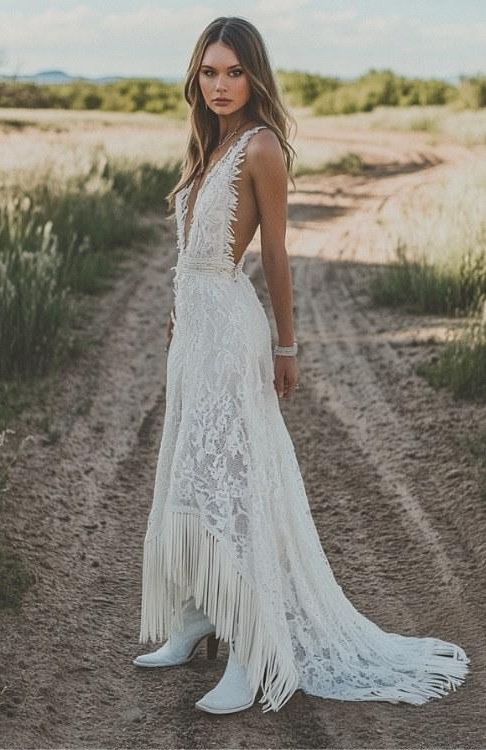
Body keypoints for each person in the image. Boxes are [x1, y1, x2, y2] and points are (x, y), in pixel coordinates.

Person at [134, 16, 468, 714]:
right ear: (195, 77)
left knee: (233, 486)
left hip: (231, 332)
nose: (220, 85)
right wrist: (177, 315)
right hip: (194, 333)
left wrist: (288, 345)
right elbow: (192, 255)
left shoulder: (261, 148)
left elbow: (277, 255)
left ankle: (254, 649)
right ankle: (199, 614)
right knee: (191, 470)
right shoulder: (209, 145)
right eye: (209, 71)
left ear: (255, 75)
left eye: (233, 71)